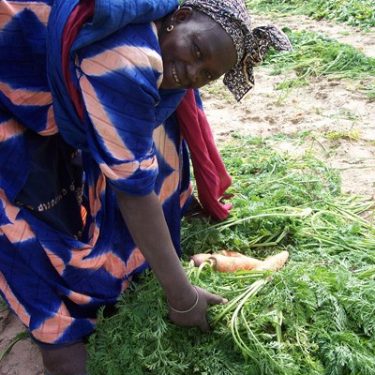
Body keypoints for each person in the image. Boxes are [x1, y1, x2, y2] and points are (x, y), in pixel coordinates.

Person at [0, 0, 291, 373]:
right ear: (180, 17)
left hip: (61, 63)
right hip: (15, 61)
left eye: (206, 74)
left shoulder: (162, 40)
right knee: (24, 202)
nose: (191, 72)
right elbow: (134, 190)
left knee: (145, 129)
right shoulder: (128, 56)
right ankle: (56, 327)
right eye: (197, 52)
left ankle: (130, 256)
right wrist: (182, 297)